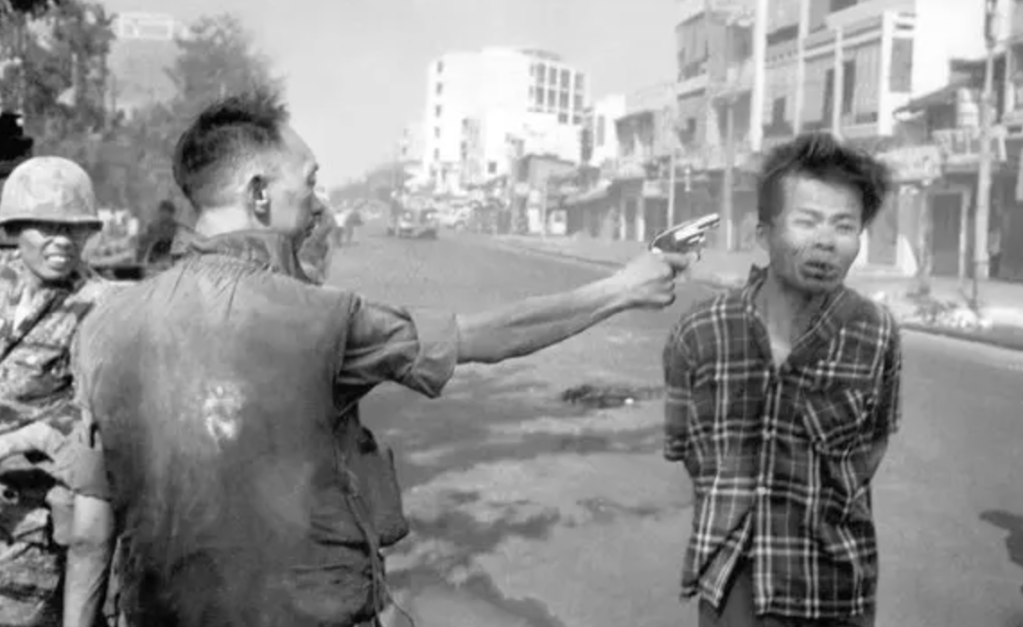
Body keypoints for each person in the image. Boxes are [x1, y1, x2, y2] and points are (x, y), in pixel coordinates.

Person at [65, 89, 691, 627]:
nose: (317, 203)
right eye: (307, 182)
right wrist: (620, 290)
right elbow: (486, 336)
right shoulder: (322, 319)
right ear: (259, 194)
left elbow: (93, 528)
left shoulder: (103, 327)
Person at [663, 133, 901, 627]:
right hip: (730, 587)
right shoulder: (699, 333)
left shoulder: (876, 333)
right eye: (807, 221)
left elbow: (872, 446)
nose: (826, 241)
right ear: (763, 234)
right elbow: (686, 447)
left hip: (832, 591)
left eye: (844, 225)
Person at [0, 157, 115, 626]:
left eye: (74, 230)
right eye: (46, 227)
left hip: (31, 513)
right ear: (17, 227)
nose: (62, 241)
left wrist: (17, 441)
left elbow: (93, 408)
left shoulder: (102, 304)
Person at [134, 200, 180, 266]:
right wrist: (138, 261)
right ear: (159, 212)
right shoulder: (153, 226)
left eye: (167, 212)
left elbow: (182, 246)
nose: (164, 214)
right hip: (156, 259)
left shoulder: (176, 228)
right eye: (162, 211)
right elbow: (143, 245)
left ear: (172, 214)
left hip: (172, 259)